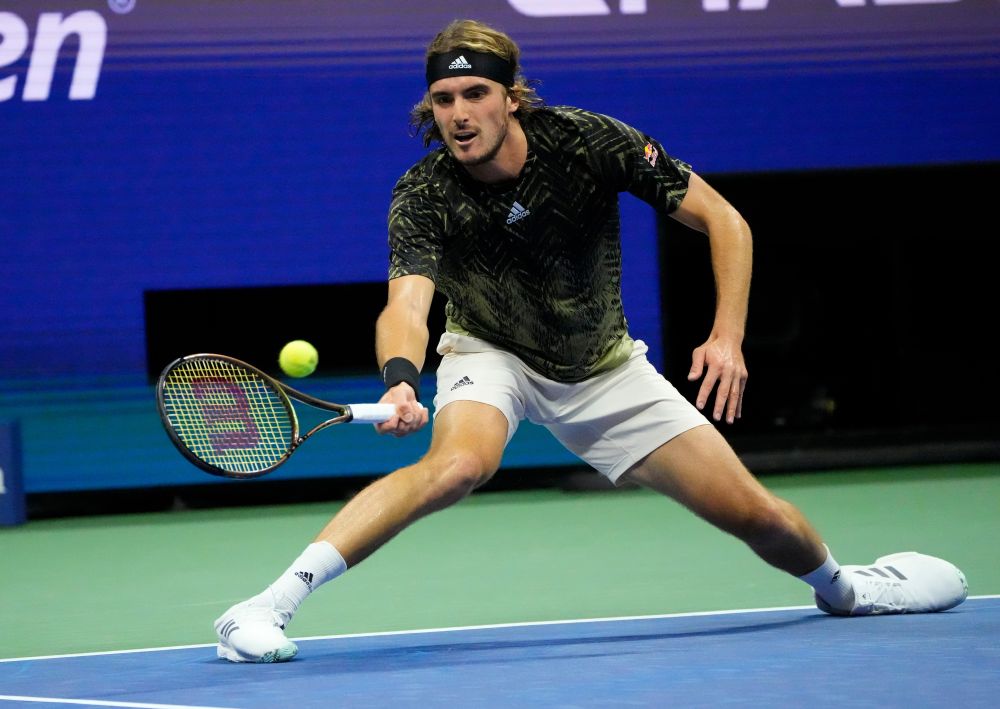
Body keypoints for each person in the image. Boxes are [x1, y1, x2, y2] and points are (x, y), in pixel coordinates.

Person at [213, 19, 968, 663]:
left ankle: (849, 588)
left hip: (604, 367)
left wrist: (727, 336)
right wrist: (402, 376)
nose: (459, 114)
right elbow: (406, 304)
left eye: (475, 94)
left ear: (512, 96)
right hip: (490, 353)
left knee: (759, 517)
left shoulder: (587, 142)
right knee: (457, 466)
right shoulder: (424, 192)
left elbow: (725, 220)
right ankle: (264, 607)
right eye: (443, 99)